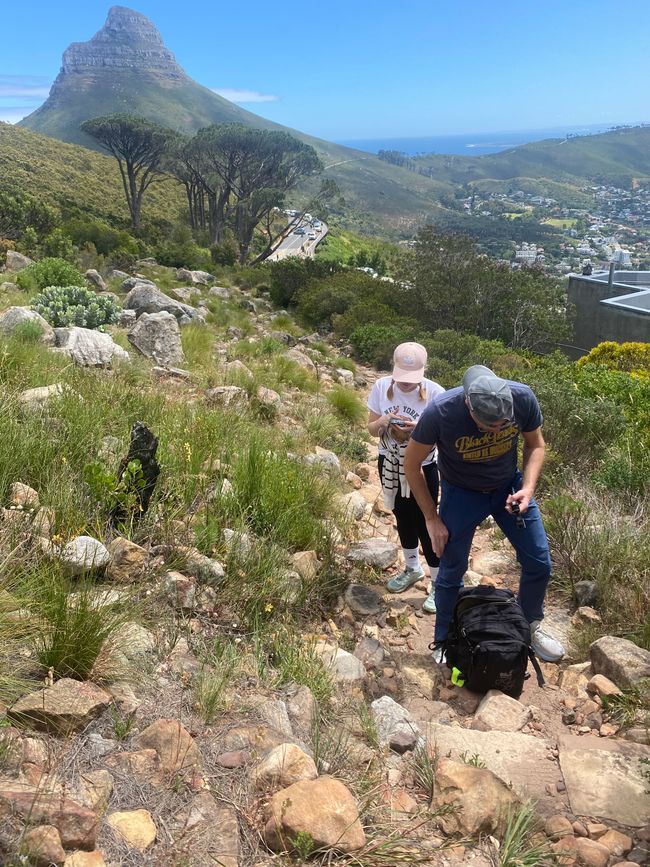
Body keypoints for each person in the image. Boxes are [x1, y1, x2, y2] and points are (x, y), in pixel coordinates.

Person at [404, 364, 565, 663]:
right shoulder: (441, 412)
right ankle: (444, 639)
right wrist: (431, 518)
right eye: (486, 425)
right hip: (461, 493)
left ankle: (529, 626)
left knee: (539, 562)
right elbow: (411, 464)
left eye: (501, 425)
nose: (495, 429)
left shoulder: (522, 398)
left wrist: (527, 489)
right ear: (468, 404)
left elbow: (536, 445)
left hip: (508, 487)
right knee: (451, 571)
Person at [367, 342, 445, 612]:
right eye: (402, 379)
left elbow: (443, 438)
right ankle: (412, 568)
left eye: (412, 380)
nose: (407, 385)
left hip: (424, 467)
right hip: (389, 462)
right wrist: (384, 421)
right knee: (402, 515)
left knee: (427, 520)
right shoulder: (381, 387)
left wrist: (420, 428)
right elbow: (371, 429)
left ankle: (438, 584)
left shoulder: (436, 393)